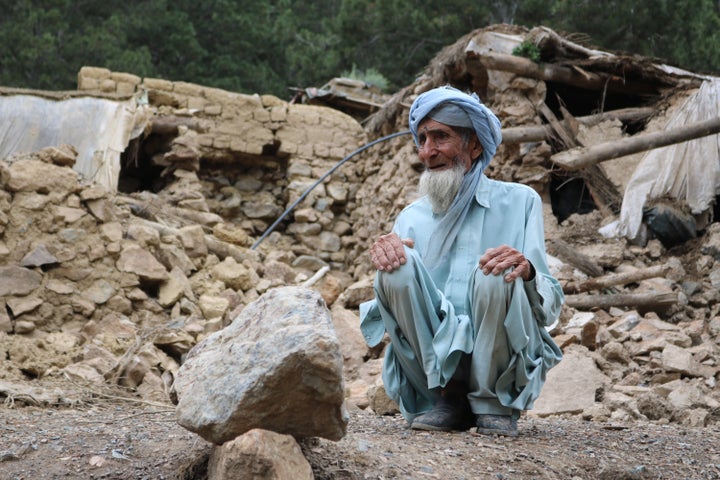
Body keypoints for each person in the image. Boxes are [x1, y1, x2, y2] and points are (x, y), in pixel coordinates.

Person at [359, 86, 563, 436]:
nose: (428, 151)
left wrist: (527, 271)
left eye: (441, 137)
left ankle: (491, 405)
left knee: (498, 269)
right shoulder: (411, 217)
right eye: (422, 139)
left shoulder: (521, 202)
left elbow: (550, 308)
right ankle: (445, 396)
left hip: (503, 364)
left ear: (475, 146)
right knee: (396, 266)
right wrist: (389, 255)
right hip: (432, 370)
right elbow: (392, 312)